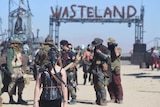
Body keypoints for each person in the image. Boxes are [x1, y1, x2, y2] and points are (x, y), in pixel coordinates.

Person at [33, 38, 68, 107]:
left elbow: (64, 86)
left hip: (56, 98)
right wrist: (35, 101)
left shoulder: (61, 70)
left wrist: (65, 102)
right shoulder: (42, 70)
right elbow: (37, 86)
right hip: (45, 98)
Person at [6, 38, 27, 104]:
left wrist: (23, 70)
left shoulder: (18, 51)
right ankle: (11, 99)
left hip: (19, 69)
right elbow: (9, 62)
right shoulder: (11, 51)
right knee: (12, 84)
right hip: (14, 69)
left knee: (21, 83)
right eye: (17, 44)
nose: (18, 45)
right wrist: (11, 72)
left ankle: (19, 98)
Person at [91, 38, 111, 106]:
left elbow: (107, 58)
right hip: (95, 68)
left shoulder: (105, 49)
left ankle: (103, 100)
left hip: (101, 69)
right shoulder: (95, 50)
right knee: (96, 85)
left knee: (101, 85)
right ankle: (98, 99)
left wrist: (100, 53)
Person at [107, 37, 123, 104]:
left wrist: (114, 47)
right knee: (109, 84)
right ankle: (112, 97)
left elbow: (117, 54)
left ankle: (119, 98)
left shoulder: (118, 49)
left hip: (116, 68)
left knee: (117, 83)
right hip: (109, 68)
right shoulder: (107, 50)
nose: (108, 44)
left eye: (109, 42)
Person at [60, 40, 77, 104]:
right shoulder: (62, 53)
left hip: (70, 72)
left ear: (64, 45)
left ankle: (73, 98)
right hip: (63, 71)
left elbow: (75, 62)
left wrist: (70, 67)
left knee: (70, 85)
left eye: (61, 45)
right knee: (63, 85)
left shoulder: (71, 53)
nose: (61, 47)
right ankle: (65, 98)